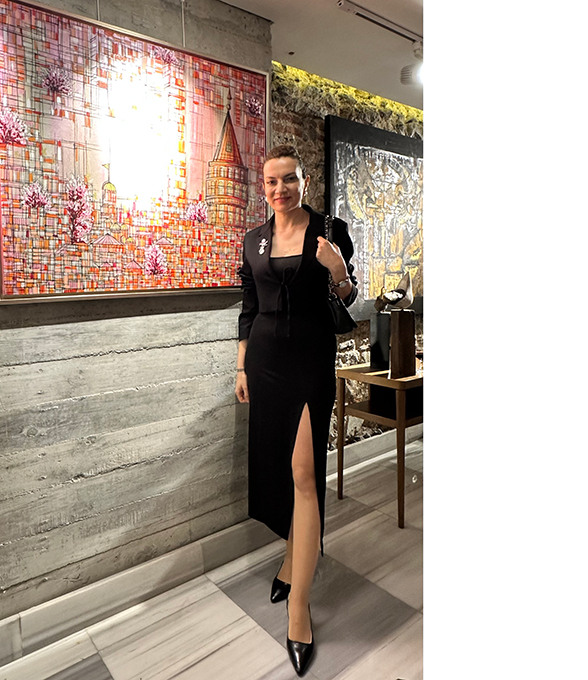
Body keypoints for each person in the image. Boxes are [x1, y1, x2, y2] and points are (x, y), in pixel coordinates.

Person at [235, 144, 357, 676]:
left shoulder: (330, 230)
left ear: (304, 182)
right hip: (264, 363)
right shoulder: (253, 240)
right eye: (271, 181)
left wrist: (338, 269)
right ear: (263, 187)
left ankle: (300, 606)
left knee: (304, 473)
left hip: (309, 361)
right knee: (280, 471)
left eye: (289, 179)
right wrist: (241, 368)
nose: (279, 189)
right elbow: (248, 307)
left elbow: (348, 297)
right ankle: (291, 559)